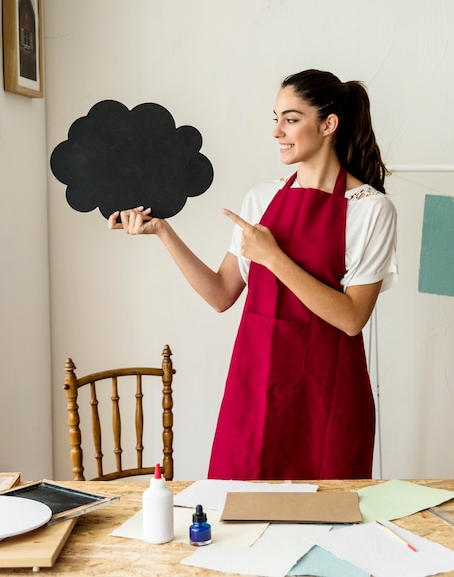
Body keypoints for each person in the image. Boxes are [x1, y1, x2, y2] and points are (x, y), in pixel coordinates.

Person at [109, 69, 398, 480]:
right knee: (237, 523)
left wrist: (274, 257)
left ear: (329, 124)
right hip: (256, 394)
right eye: (275, 118)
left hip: (328, 403)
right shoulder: (261, 198)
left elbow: (352, 319)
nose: (277, 131)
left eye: (291, 119)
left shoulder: (371, 209)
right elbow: (221, 293)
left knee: (330, 528)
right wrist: (163, 232)